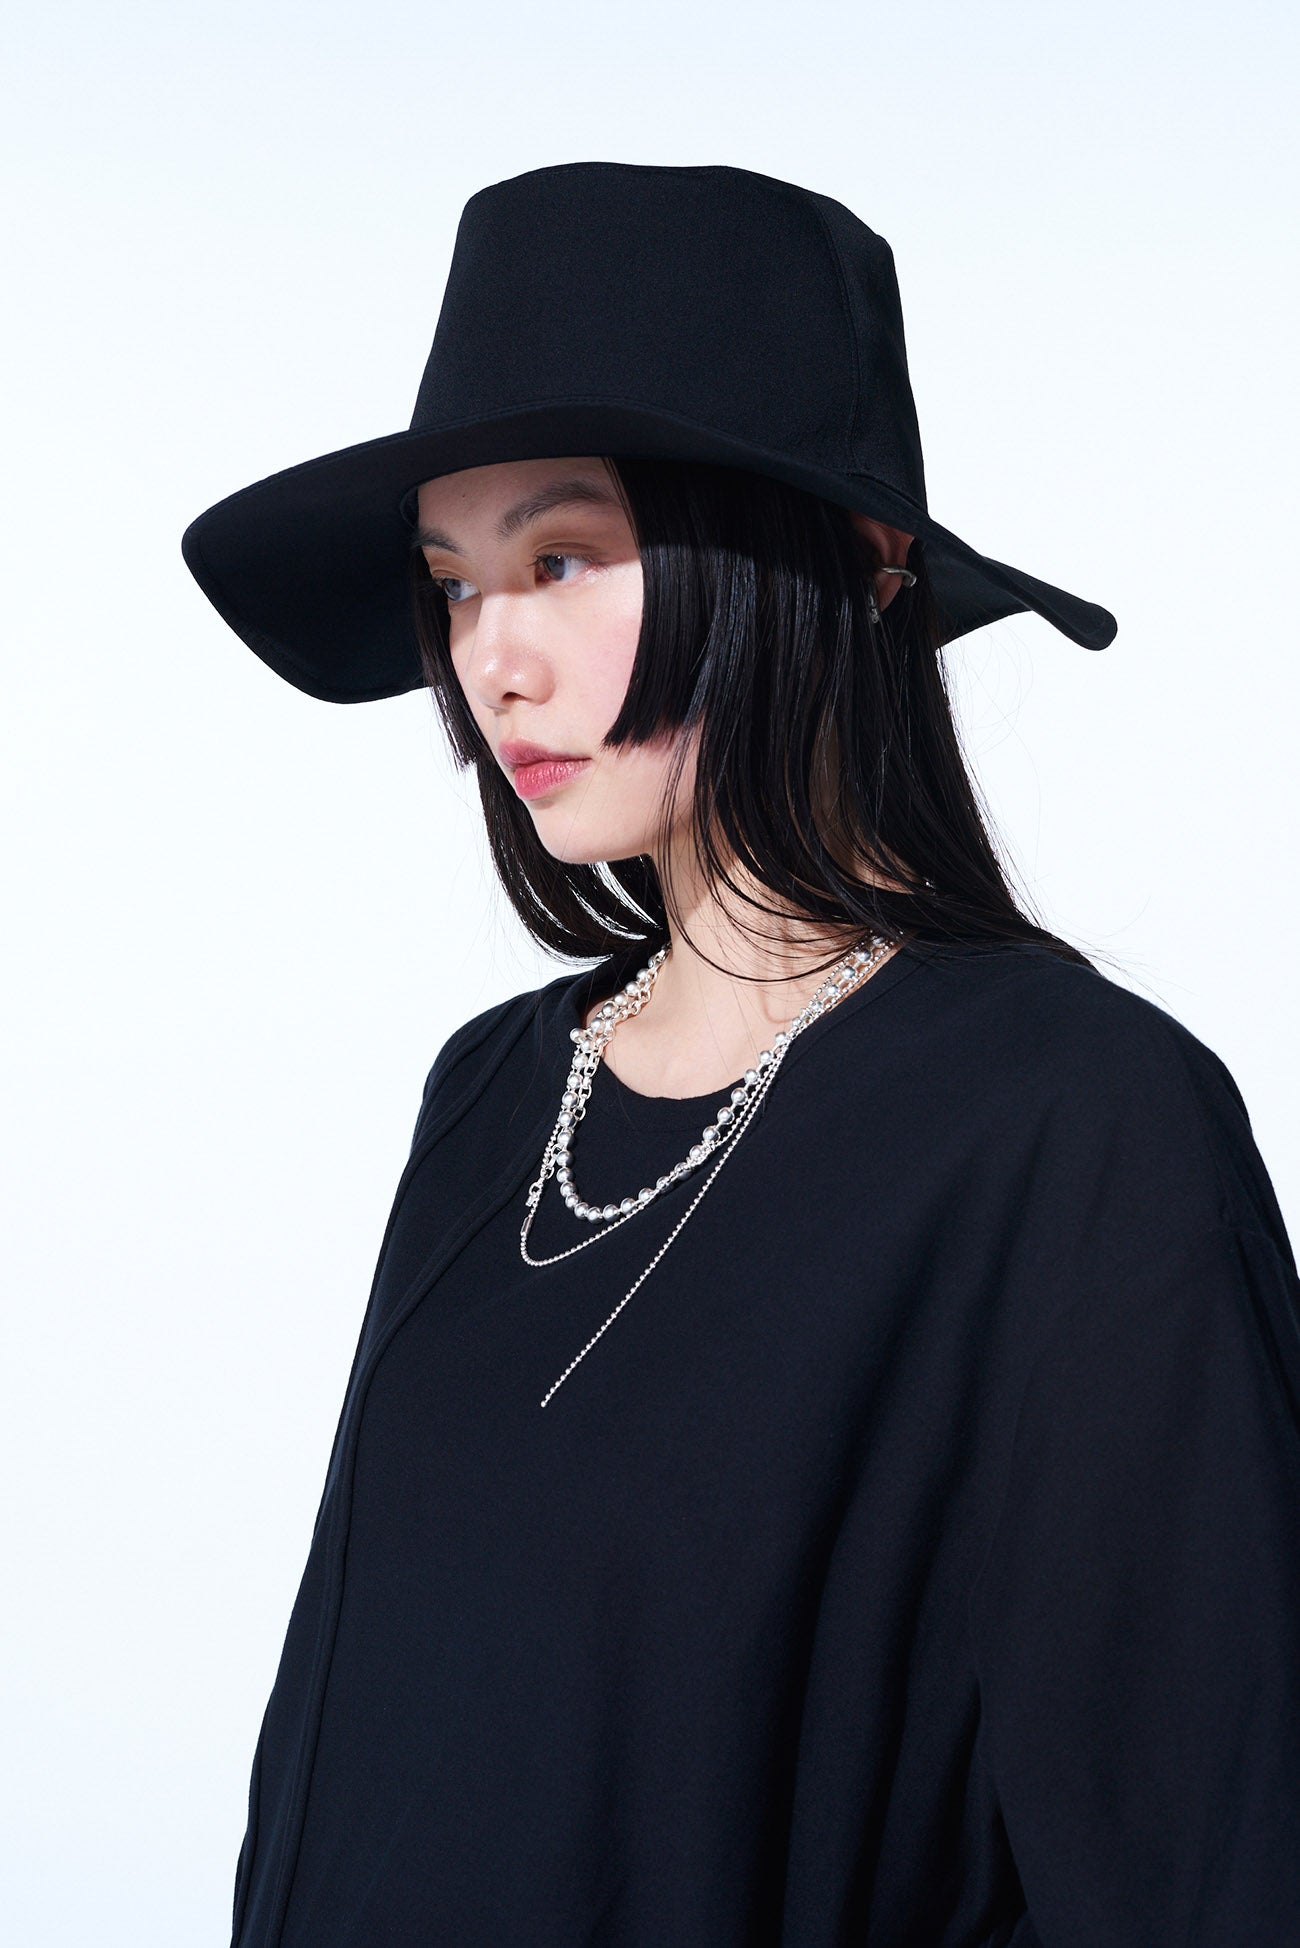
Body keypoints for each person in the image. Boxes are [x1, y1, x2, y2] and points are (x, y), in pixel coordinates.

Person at [183, 163, 1300, 1947]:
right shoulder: (494, 1091)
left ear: (852, 561)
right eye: (455, 582)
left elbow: (1203, 1853)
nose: (492, 662)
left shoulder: (1078, 1126)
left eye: (559, 559)